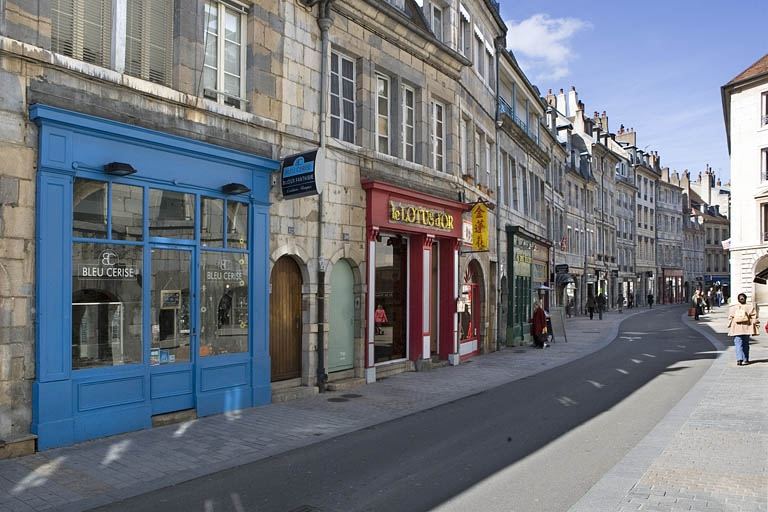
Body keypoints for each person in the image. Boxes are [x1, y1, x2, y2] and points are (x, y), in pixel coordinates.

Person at [727, 292, 758, 366]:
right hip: (747, 328)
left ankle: (739, 359)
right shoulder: (750, 307)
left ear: (738, 300)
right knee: (746, 344)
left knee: (738, 343)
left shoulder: (733, 308)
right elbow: (754, 317)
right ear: (745, 299)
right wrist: (756, 324)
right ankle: (746, 359)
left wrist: (729, 325)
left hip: (737, 328)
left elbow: (730, 317)